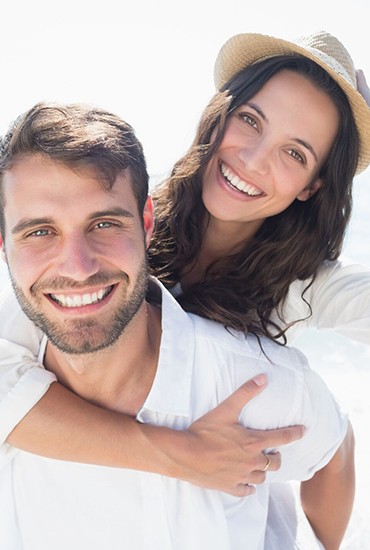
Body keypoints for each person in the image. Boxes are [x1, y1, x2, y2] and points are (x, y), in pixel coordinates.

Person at [0, 28, 369, 511]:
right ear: (219, 114)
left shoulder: (307, 286)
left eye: (294, 153)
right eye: (250, 121)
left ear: (312, 185)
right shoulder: (117, 227)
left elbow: (334, 446)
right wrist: (180, 454)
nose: (254, 160)